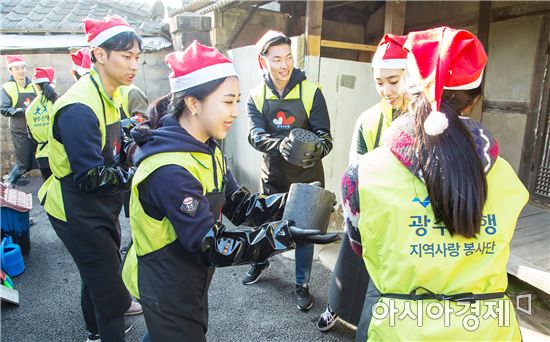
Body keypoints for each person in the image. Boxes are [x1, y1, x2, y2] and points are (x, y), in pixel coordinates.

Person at [121, 40, 339, 341]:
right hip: (165, 282)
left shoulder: (206, 150)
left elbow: (239, 205)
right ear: (193, 103)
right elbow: (212, 244)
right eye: (227, 101)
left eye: (237, 101)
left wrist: (293, 200)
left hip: (188, 275)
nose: (236, 111)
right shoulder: (169, 170)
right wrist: (283, 235)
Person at [342, 27, 528, 341]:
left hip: (400, 329)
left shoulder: (363, 174)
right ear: (473, 101)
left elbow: (361, 246)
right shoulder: (507, 176)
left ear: (409, 92)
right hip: (489, 330)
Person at [38, 16, 143, 342]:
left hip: (100, 205)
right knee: (109, 292)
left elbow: (114, 145)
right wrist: (139, 174)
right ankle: (105, 328)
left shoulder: (109, 94)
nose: (134, 65)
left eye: (138, 58)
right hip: (77, 207)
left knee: (98, 271)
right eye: (126, 57)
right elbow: (90, 177)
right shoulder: (79, 107)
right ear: (99, 54)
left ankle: (94, 330)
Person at [317, 33, 408, 332]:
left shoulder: (426, 117)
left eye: (393, 81)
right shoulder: (369, 119)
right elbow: (355, 168)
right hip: (368, 207)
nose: (386, 90)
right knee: (351, 264)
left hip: (406, 215)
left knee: (389, 284)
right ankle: (336, 307)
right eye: (379, 82)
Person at [244, 30, 333, 311]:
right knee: (266, 225)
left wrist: (316, 148)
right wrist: (282, 145)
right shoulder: (256, 96)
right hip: (273, 175)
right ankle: (260, 261)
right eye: (277, 59)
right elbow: (255, 136)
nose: (285, 65)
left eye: (289, 57)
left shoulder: (311, 91)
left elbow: (326, 137)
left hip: (308, 178)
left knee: (305, 233)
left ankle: (302, 284)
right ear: (263, 62)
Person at [1, 55, 37, 187]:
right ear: (11, 70)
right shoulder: (7, 87)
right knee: (23, 162)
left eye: (23, 68)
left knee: (43, 159)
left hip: (37, 128)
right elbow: (4, 109)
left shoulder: (34, 85)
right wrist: (22, 110)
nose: (21, 71)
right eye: (17, 68)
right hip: (20, 129)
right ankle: (8, 184)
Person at [25, 67, 57, 181]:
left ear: (35, 85)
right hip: (59, 154)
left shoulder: (29, 109)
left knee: (48, 191)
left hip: (42, 155)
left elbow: (31, 136)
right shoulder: (57, 103)